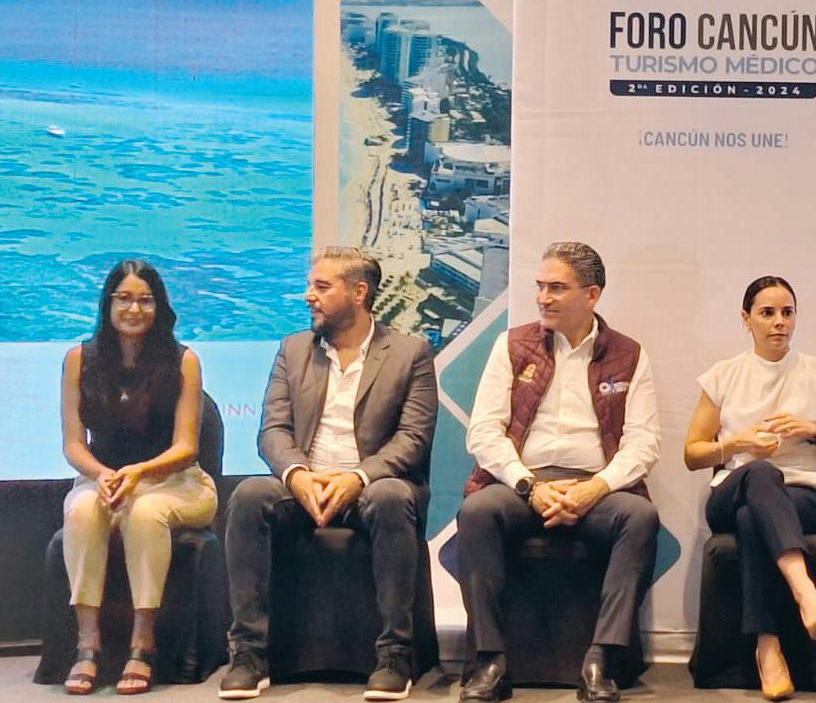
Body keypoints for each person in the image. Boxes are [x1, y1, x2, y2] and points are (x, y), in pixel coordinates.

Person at [219, 247, 438, 701]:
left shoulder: (410, 352)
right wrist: (297, 474)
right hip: (305, 483)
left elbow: (413, 439)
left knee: (393, 496)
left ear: (359, 292)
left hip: (371, 486)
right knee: (248, 496)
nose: (308, 296)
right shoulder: (293, 349)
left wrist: (357, 478)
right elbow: (273, 429)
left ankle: (394, 655)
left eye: (321, 286)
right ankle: (249, 653)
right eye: (310, 285)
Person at [458, 242, 660, 703]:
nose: (543, 298)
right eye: (540, 287)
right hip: (522, 481)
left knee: (640, 517)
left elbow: (643, 443)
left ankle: (601, 661)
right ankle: (490, 661)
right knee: (477, 513)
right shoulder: (513, 344)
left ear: (591, 294)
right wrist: (529, 485)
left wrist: (595, 488)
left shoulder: (629, 354)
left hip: (595, 485)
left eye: (556, 288)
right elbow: (483, 432)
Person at [683, 276, 816, 701]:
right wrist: (739, 443)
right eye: (767, 313)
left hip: (806, 497)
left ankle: (768, 648)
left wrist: (815, 432)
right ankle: (805, 593)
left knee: (753, 517)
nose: (779, 322)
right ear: (746, 320)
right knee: (760, 473)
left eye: (787, 312)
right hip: (732, 490)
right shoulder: (723, 375)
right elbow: (693, 454)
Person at [60, 259, 218, 695]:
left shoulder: (184, 361)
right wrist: (102, 475)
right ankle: (87, 645)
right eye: (124, 299)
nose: (134, 309)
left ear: (159, 306)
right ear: (108, 304)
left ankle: (142, 644)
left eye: (145, 300)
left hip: (177, 483)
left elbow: (186, 447)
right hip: (104, 480)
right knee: (82, 511)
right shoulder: (79, 359)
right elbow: (73, 445)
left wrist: (140, 473)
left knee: (145, 512)